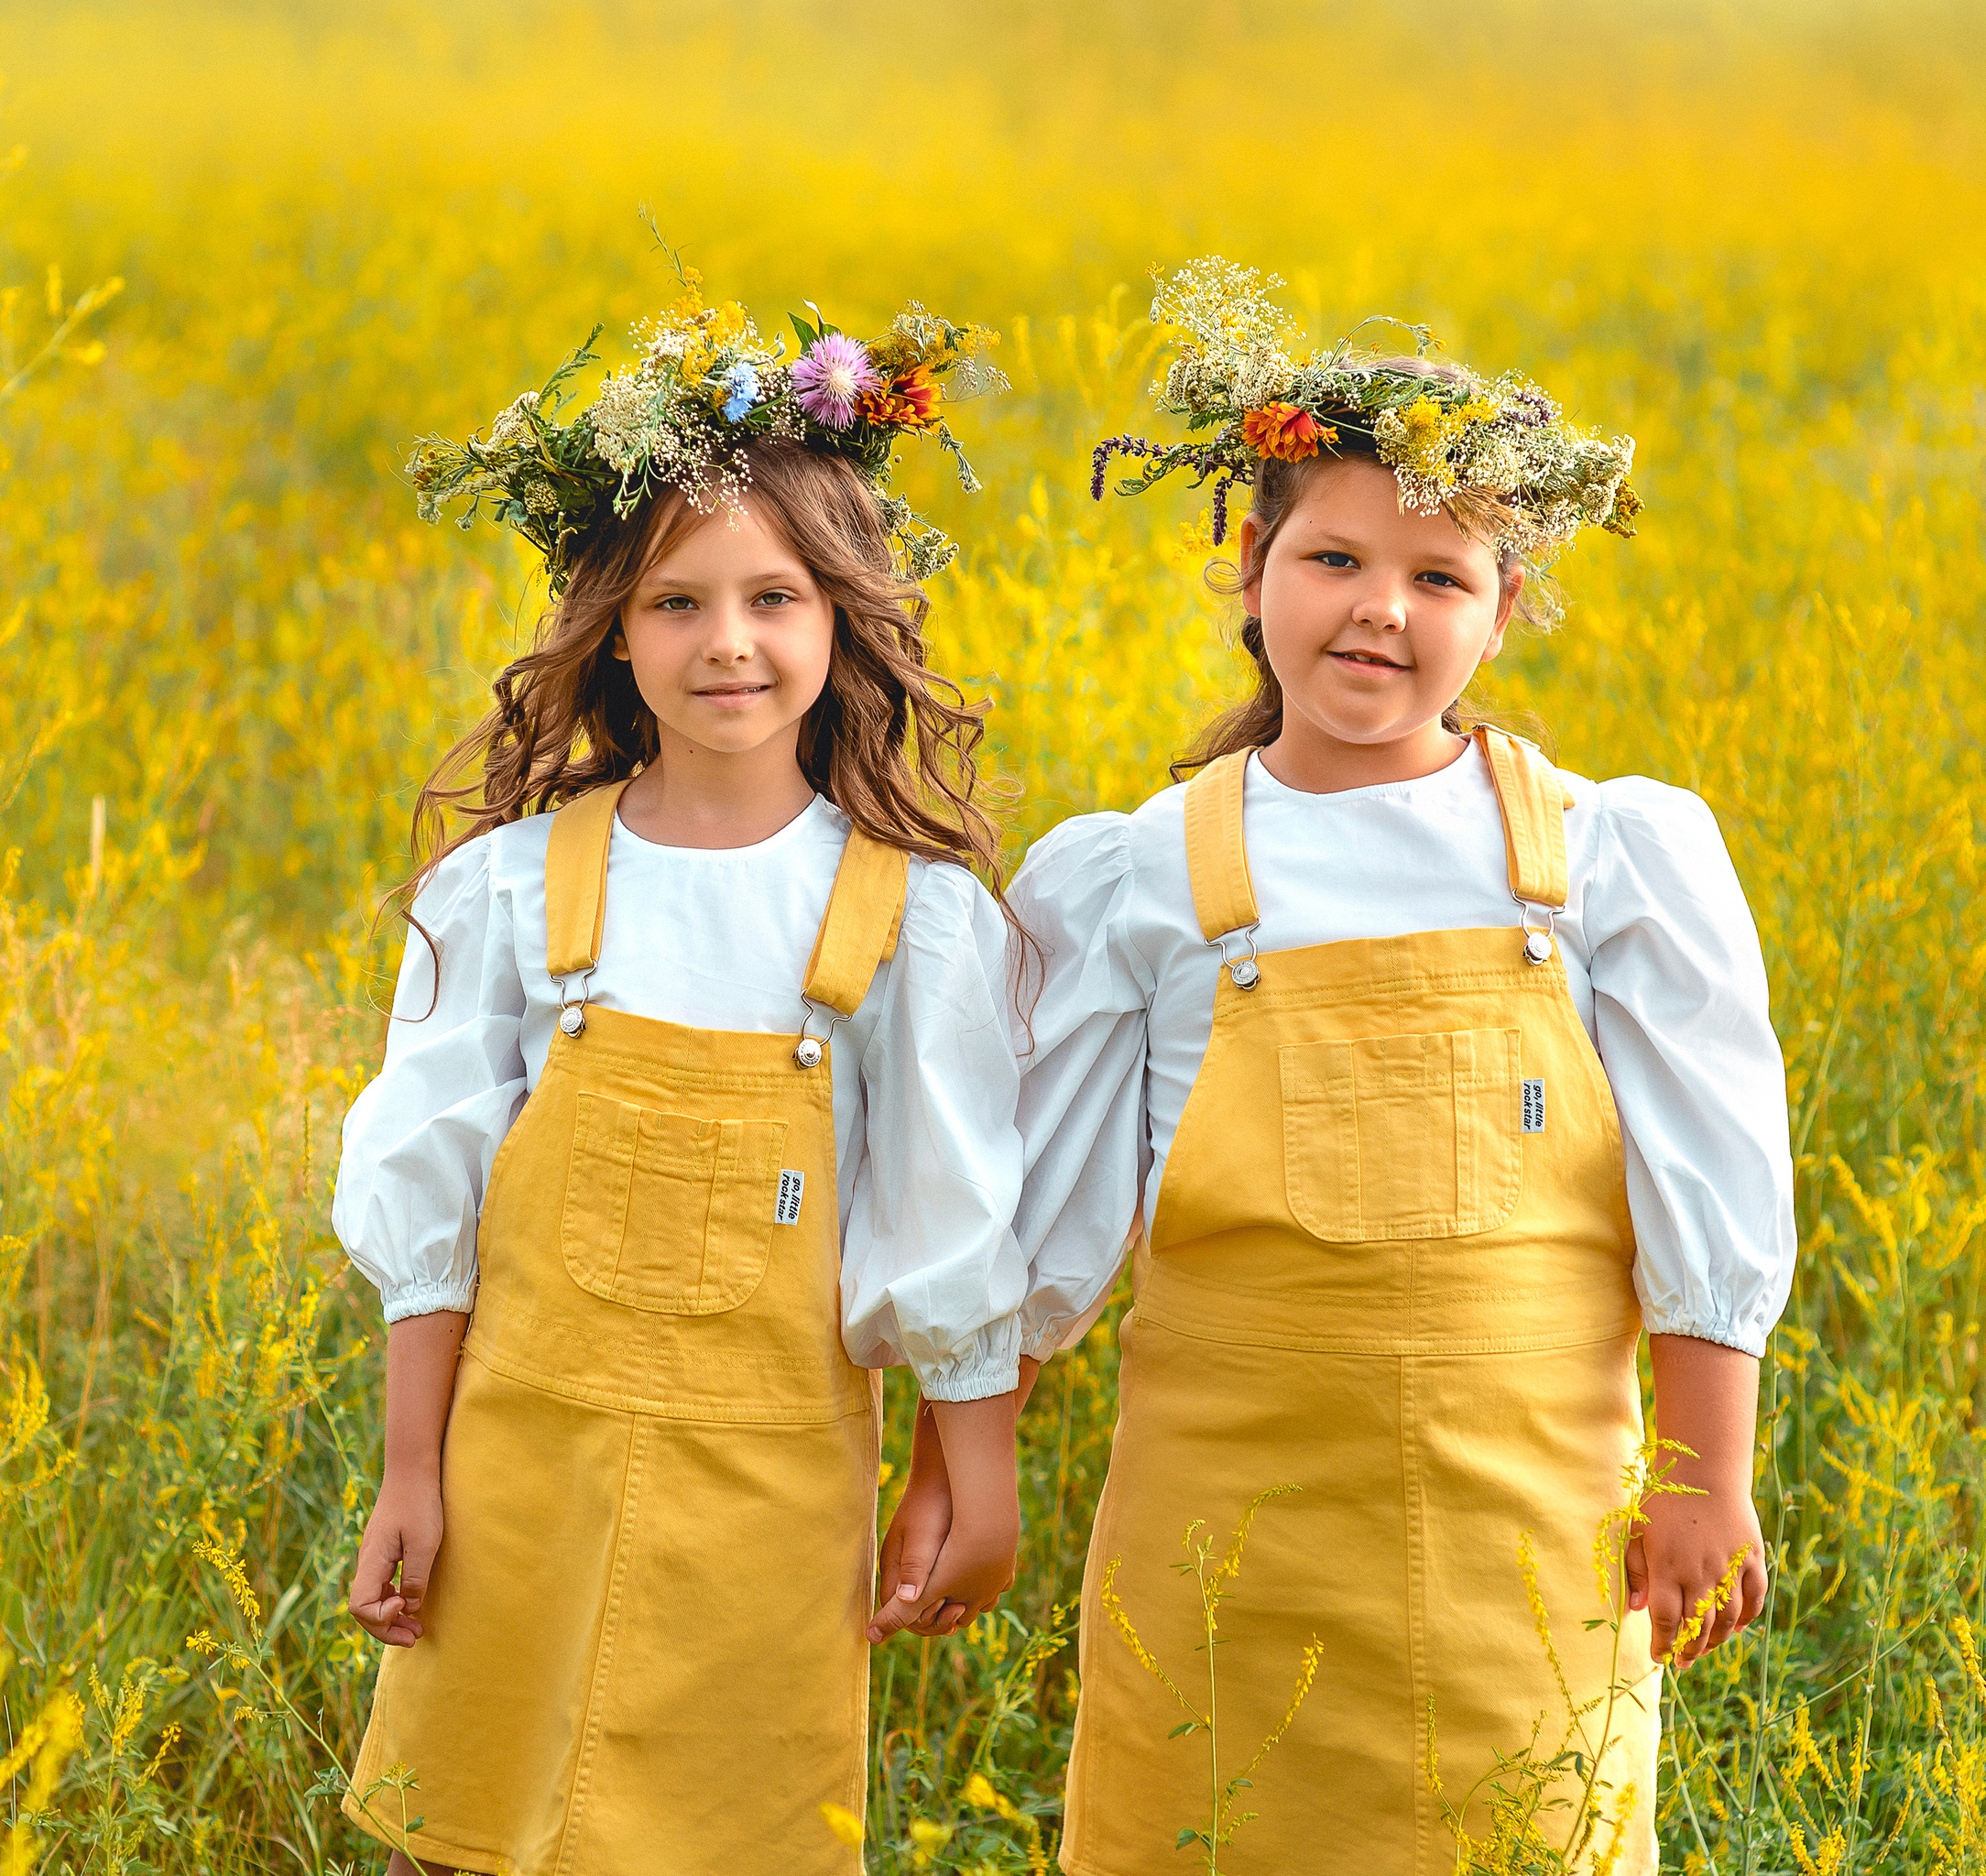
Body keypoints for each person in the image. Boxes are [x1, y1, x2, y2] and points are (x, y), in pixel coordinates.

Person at [1009, 259, 1795, 1873]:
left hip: (1529, 1537)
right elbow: (1045, 1230)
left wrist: (1705, 1477)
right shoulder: (1143, 876)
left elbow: (1708, 1176)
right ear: (1251, 567)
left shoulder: (1598, 861)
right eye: (1336, 557)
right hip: (1224, 1538)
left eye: (1441, 576)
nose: (1382, 606)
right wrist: (968, 1459)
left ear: (1505, 610)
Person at [331, 280, 1030, 1876]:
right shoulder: (512, 891)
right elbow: (430, 1192)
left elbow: (951, 1216)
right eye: (675, 604)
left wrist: (968, 1475)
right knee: (470, 1833)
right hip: (518, 1477)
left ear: (844, 615)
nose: (728, 643)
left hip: (770, 1509)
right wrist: (412, 1474)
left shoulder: (912, 918)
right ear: (607, 632)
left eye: (776, 597)